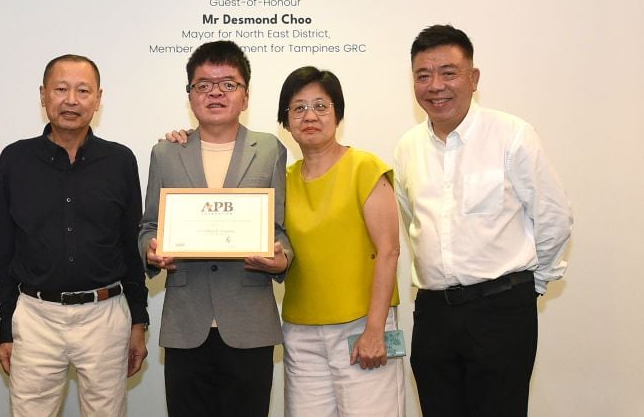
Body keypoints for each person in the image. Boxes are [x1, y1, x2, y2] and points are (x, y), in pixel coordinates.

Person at [393, 24, 573, 417]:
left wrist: (527, 288)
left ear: (473, 78)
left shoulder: (512, 135)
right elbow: (412, 222)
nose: (435, 85)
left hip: (501, 312)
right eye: (423, 75)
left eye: (448, 72)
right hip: (434, 315)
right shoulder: (408, 148)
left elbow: (554, 218)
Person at [140, 40, 292, 417]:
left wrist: (282, 258)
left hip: (249, 321)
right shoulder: (166, 152)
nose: (215, 93)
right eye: (203, 85)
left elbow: (280, 227)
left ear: (245, 95)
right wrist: (150, 249)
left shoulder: (270, 149)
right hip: (186, 323)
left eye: (228, 84)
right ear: (189, 94)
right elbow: (148, 225)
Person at [0, 54, 148, 417]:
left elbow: (130, 244)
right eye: (61, 89)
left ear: (98, 98)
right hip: (35, 315)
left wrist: (138, 320)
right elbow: (3, 249)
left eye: (83, 90)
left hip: (105, 315)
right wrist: (7, 326)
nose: (71, 100)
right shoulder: (15, 159)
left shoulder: (120, 160)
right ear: (43, 95)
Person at [276, 66, 405, 416]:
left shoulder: (365, 167)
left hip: (364, 327)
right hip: (301, 335)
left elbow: (389, 250)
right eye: (298, 108)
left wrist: (376, 330)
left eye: (321, 105)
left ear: (338, 114)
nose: (310, 116)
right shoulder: (281, 182)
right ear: (285, 122)